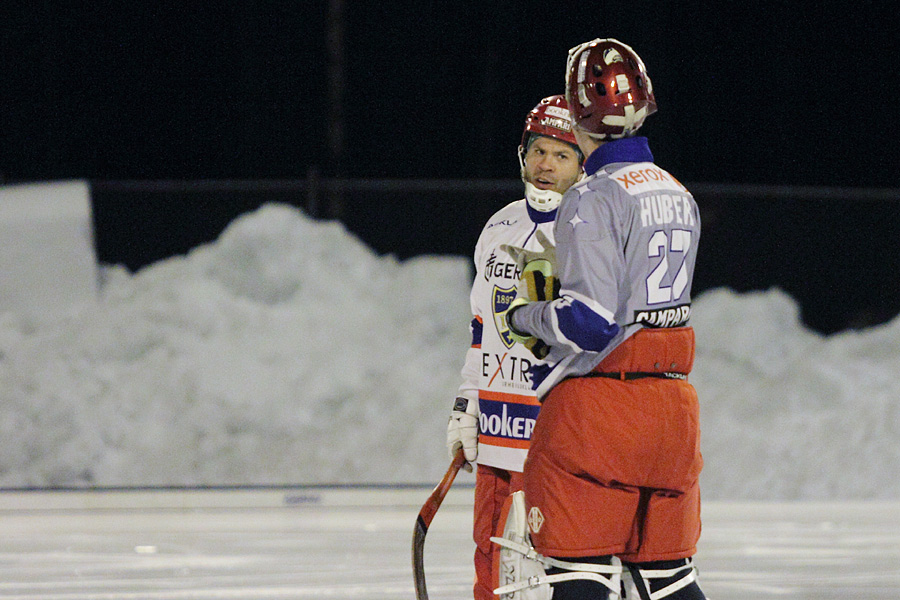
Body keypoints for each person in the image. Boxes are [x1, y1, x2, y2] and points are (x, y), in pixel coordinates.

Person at [501, 39, 707, 600]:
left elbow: (590, 323)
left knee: (581, 573)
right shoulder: (678, 191)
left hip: (601, 411)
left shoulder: (592, 196)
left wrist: (528, 315)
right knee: (669, 580)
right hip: (672, 409)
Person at [446, 95, 584, 600]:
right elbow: (480, 325)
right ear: (523, 153)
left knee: (566, 566)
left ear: (583, 163)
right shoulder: (499, 225)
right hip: (501, 429)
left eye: (562, 154)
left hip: (559, 435)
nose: (546, 165)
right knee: (492, 561)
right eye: (539, 150)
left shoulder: (589, 232)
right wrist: (467, 404)